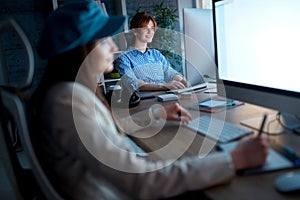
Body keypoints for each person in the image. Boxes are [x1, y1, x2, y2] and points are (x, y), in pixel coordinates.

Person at [32, 1, 269, 199]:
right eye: (104, 40)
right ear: (82, 49)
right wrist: (232, 159)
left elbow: (108, 134)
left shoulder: (68, 95)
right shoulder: (68, 102)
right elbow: (143, 180)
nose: (113, 45)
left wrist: (157, 114)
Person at [114, 12, 188, 91]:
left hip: (164, 95)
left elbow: (170, 73)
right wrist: (163, 86)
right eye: (145, 28)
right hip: (144, 100)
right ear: (135, 31)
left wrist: (184, 82)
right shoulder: (124, 57)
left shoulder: (156, 54)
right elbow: (133, 83)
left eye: (152, 28)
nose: (150, 32)